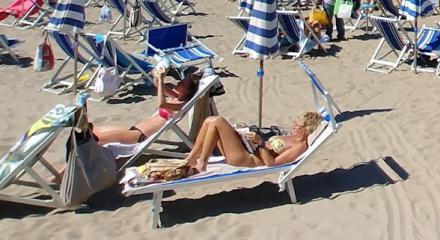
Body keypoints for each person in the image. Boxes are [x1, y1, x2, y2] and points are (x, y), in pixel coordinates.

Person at [180, 111, 321, 175]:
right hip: (248, 150)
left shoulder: (299, 147)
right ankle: (193, 156)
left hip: (247, 159)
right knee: (209, 120)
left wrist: (260, 143)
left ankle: (203, 162)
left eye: (298, 126)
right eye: (295, 124)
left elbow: (272, 164)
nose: (293, 127)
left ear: (307, 130)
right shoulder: (291, 137)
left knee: (218, 121)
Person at [92, 67, 204, 144]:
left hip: (139, 135)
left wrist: (160, 79)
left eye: (182, 84)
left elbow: (161, 104)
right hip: (133, 130)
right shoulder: (175, 96)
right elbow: (157, 84)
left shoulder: (181, 105)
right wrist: (159, 75)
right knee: (92, 130)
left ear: (187, 91)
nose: (179, 83)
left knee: (96, 138)